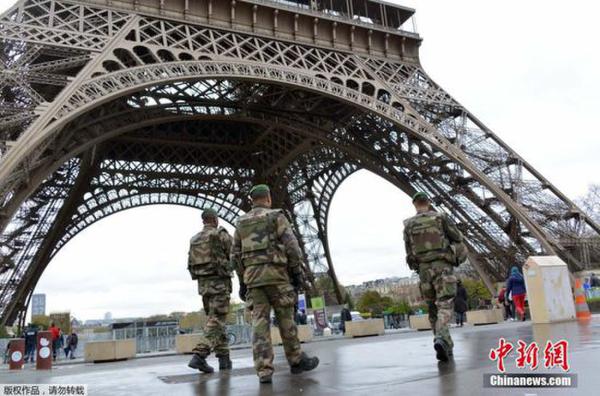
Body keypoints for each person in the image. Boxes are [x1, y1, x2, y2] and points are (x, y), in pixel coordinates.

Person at [232, 184, 319, 384]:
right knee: (286, 319)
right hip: (277, 276)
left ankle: (264, 371)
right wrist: (297, 273)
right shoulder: (276, 216)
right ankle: (296, 360)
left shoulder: (241, 223)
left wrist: (242, 280)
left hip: (254, 279)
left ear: (252, 200)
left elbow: (235, 256)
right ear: (268, 198)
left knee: (259, 324)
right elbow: (292, 246)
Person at [403, 192, 467, 362]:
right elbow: (458, 237)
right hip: (443, 267)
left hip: (424, 272)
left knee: (432, 308)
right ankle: (441, 338)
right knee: (445, 305)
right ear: (428, 203)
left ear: (415, 204)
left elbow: (409, 253)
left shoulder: (408, 225)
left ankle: (444, 343)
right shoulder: (441, 218)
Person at [186, 208, 234, 374]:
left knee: (215, 320)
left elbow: (190, 264)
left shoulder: (194, 239)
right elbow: (235, 254)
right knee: (218, 319)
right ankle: (200, 355)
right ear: (215, 219)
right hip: (219, 283)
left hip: (203, 286)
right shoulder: (220, 235)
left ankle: (224, 359)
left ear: (203, 220)